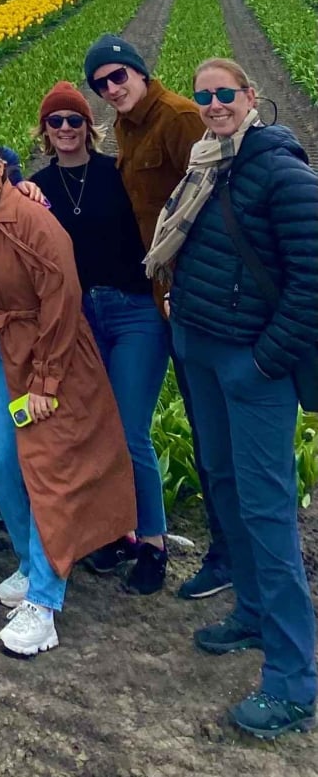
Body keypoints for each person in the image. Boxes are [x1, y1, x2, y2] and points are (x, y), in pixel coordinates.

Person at [149, 58, 318, 739]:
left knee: (268, 509)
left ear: (251, 97)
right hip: (205, 353)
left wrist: (262, 363)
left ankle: (294, 679)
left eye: (226, 93)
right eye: (205, 95)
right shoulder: (207, 161)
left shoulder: (281, 172)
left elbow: (312, 284)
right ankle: (250, 609)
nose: (214, 103)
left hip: (251, 368)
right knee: (223, 485)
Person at [0, 126, 136, 658]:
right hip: (5, 352)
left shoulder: (31, 219)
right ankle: (32, 563)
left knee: (47, 474)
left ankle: (45, 604)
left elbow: (63, 297)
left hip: (47, 357)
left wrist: (46, 381)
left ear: (2, 164)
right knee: (3, 466)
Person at [83, 33, 227, 600]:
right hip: (163, 292)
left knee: (210, 424)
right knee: (192, 421)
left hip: (200, 292)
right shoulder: (127, 126)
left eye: (119, 77)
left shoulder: (179, 117)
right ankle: (142, 533)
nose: (112, 89)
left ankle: (218, 552)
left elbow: (217, 195)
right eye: (102, 85)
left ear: (141, 72)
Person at [29, 82, 170, 594]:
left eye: (73, 120)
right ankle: (117, 534)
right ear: (44, 131)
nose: (64, 129)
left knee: (130, 432)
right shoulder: (37, 187)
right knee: (92, 430)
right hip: (82, 318)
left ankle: (154, 543)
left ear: (90, 126)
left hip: (135, 312)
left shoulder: (120, 174)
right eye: (55, 122)